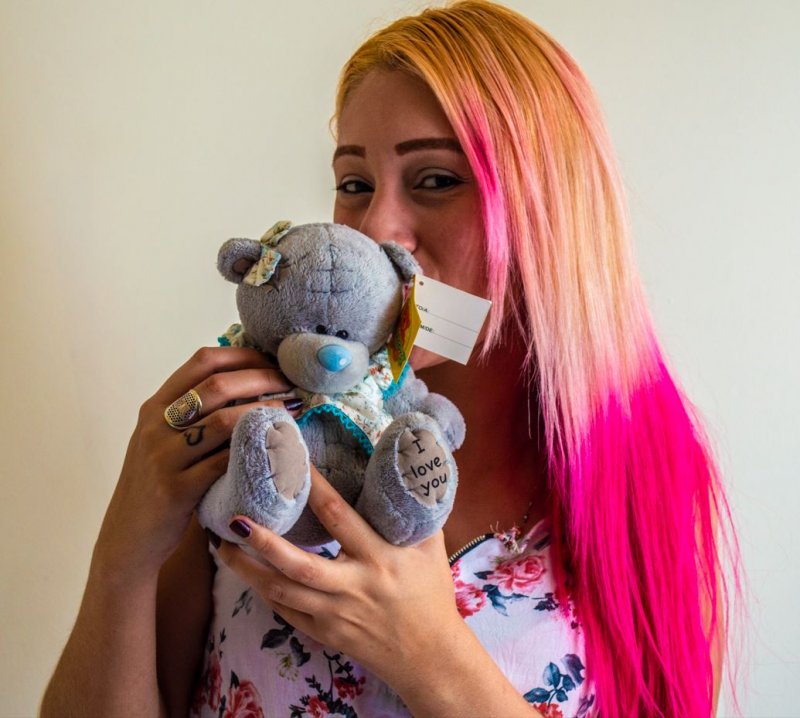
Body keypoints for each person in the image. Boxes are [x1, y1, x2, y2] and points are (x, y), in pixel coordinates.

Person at [41, 2, 737, 717]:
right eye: (355, 184)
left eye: (436, 180)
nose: (377, 231)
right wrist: (122, 558)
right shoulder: (259, 432)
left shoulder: (648, 477)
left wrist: (430, 656)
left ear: (548, 210)